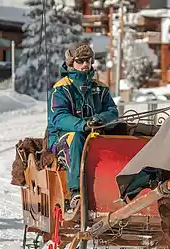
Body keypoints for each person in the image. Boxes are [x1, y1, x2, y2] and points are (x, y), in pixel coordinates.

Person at [47, 42, 119, 212]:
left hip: (94, 133)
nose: (86, 64)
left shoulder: (100, 88)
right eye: (81, 60)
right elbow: (58, 117)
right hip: (62, 137)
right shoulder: (61, 89)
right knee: (77, 137)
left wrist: (99, 119)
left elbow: (112, 112)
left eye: (89, 60)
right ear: (71, 63)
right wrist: (82, 125)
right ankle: (76, 192)